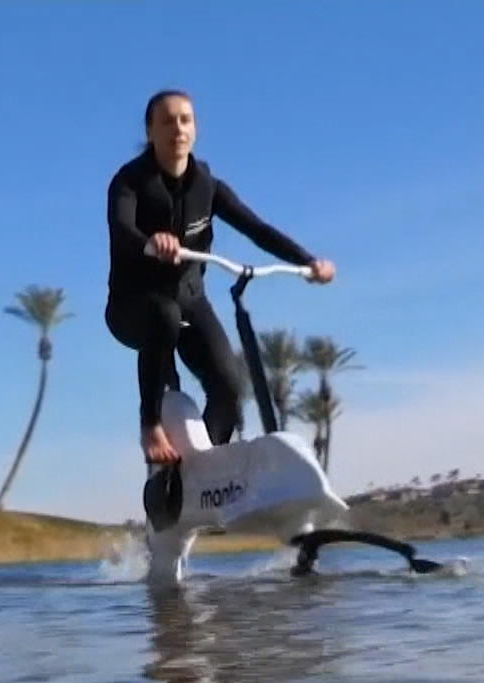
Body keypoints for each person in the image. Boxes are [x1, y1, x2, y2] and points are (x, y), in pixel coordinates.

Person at [106, 88, 336, 465]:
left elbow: (258, 229)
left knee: (229, 387)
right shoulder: (129, 182)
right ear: (150, 132)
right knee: (162, 315)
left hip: (190, 300)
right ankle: (150, 426)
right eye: (167, 121)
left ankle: (200, 472)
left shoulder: (207, 187)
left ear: (195, 129)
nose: (177, 128)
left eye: (185, 120)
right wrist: (151, 242)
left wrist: (309, 262)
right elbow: (121, 229)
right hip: (132, 306)